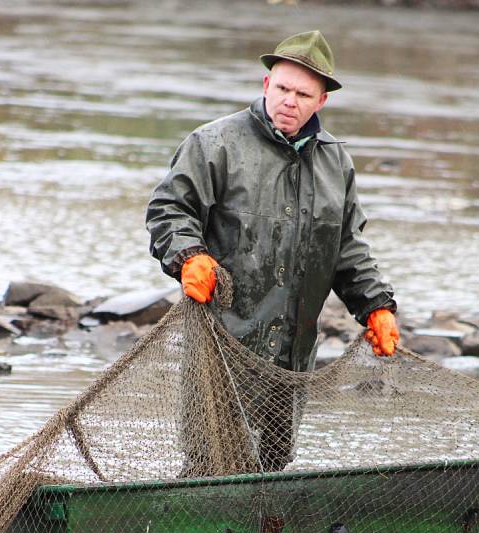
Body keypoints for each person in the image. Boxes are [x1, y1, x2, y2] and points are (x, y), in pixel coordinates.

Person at [146, 30, 399, 471]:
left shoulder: (336, 162)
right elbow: (169, 210)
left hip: (292, 358)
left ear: (321, 102)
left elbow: (347, 248)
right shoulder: (214, 143)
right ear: (266, 86)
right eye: (282, 88)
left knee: (273, 470)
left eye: (303, 94)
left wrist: (376, 304)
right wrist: (189, 255)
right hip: (223, 347)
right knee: (210, 469)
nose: (290, 100)